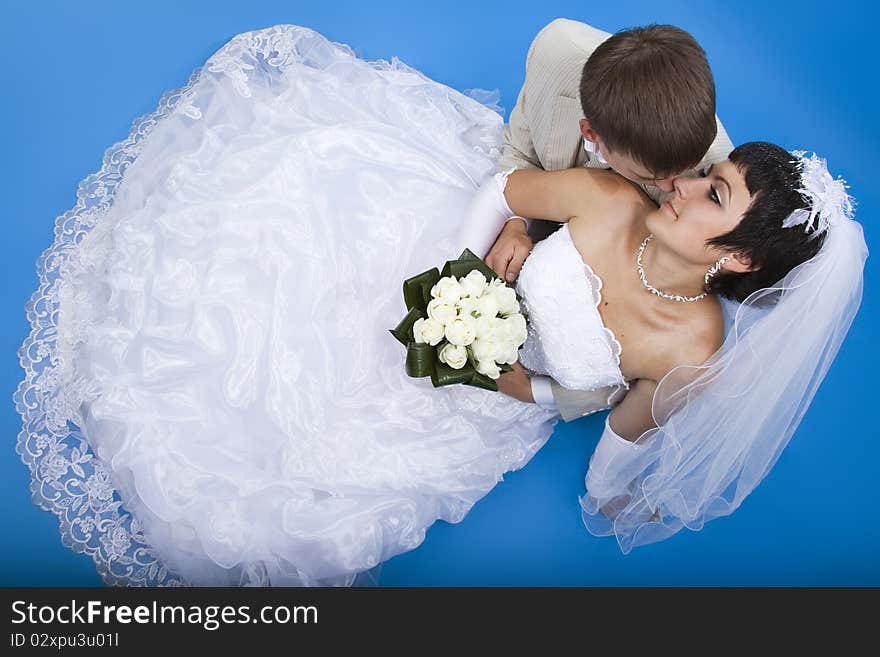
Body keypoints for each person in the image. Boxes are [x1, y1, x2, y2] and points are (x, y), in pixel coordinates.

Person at [14, 24, 866, 587]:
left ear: (740, 259)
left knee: (309, 471)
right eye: (699, 176)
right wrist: (462, 276)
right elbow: (504, 183)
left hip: (493, 390)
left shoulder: (693, 353)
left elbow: (615, 421)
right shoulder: (613, 198)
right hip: (464, 268)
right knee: (264, 290)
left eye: (709, 192)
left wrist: (521, 396)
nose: (678, 188)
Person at [467, 20, 735, 423]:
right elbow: (521, 144)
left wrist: (542, 393)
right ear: (589, 131)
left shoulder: (701, 184)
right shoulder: (554, 52)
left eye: (681, 175)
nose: (674, 187)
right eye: (651, 179)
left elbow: (654, 346)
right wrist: (516, 224)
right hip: (530, 212)